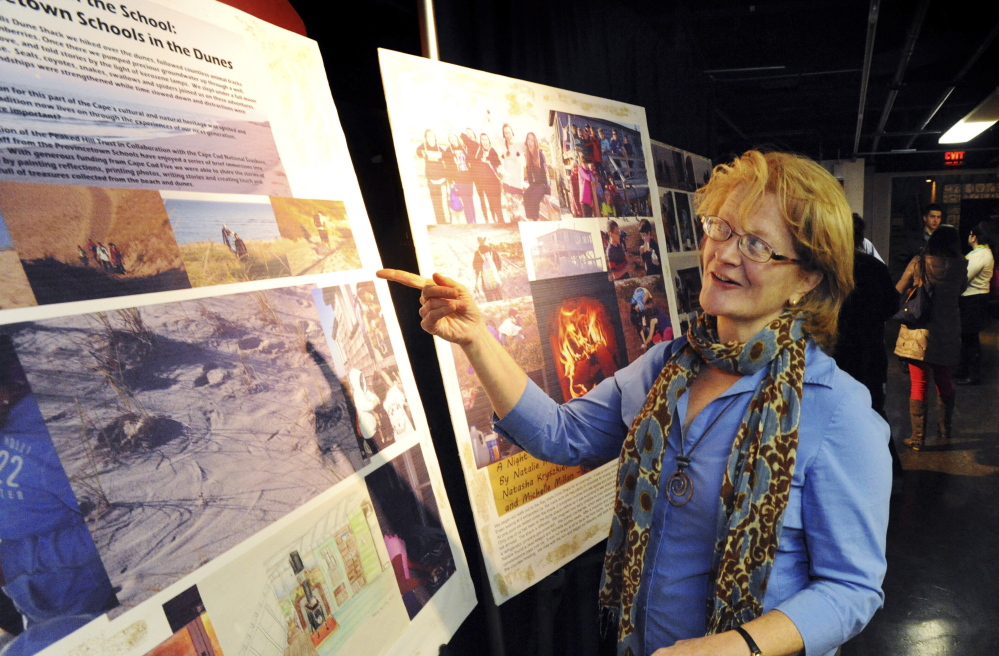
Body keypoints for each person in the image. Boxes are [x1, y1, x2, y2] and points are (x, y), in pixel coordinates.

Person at [379, 150, 890, 656]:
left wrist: (735, 647)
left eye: (757, 245)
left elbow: (851, 588)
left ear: (807, 279)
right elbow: (560, 433)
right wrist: (477, 339)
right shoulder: (669, 366)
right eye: (722, 229)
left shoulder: (837, 412)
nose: (725, 255)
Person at [834, 213, 900, 474]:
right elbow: (892, 306)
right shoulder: (875, 267)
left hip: (835, 352)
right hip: (871, 350)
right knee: (873, 409)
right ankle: (887, 471)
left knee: (839, 413)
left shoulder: (826, 269)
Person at [894, 224, 967, 451]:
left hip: (920, 330)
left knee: (919, 383)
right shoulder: (960, 266)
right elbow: (961, 291)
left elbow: (898, 288)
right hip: (947, 329)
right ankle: (945, 430)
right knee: (945, 380)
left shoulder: (919, 262)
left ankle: (918, 439)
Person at [955, 222, 994, 385]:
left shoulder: (980, 255)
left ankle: (972, 374)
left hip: (973, 300)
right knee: (967, 337)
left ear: (974, 236)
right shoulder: (983, 252)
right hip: (975, 299)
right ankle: (965, 370)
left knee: (970, 338)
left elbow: (964, 276)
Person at [416, 129, 448, 224]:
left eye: (432, 136)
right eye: (428, 136)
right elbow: (418, 152)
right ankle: (440, 223)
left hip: (442, 179)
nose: (431, 138)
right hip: (431, 180)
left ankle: (447, 222)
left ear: (435, 137)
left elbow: (446, 157)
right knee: (436, 204)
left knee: (444, 203)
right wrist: (424, 147)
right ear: (425, 138)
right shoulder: (423, 148)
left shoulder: (439, 148)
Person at [897, 204, 942, 269]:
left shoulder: (944, 239)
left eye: (939, 217)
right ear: (925, 218)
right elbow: (901, 261)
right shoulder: (913, 238)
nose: (936, 220)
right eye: (932, 216)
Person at [444, 133, 476, 224]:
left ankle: (474, 221)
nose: (452, 139)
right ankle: (470, 222)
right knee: (465, 201)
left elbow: (470, 160)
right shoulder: (448, 150)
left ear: (457, 137)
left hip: (468, 178)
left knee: (471, 201)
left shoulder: (464, 148)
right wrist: (451, 181)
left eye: (453, 137)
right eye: (450, 138)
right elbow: (448, 167)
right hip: (458, 180)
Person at [473, 133, 503, 223]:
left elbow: (498, 164)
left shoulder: (492, 151)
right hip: (486, 184)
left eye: (486, 139)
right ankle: (494, 221)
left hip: (494, 184)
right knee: (491, 204)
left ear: (489, 140)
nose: (484, 141)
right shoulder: (479, 152)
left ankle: (501, 222)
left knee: (497, 205)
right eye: (482, 139)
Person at [523, 132, 548, 221]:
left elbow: (546, 170)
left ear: (535, 142)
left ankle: (534, 219)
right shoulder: (527, 155)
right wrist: (531, 185)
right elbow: (529, 173)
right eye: (528, 140)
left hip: (543, 184)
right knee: (526, 195)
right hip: (535, 184)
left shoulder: (539, 153)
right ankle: (530, 218)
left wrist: (547, 189)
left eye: (532, 140)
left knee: (534, 198)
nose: (530, 142)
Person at [471, 236, 503, 302]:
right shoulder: (493, 251)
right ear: (486, 241)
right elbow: (499, 263)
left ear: (478, 242)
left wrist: (476, 282)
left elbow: (476, 268)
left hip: (485, 278)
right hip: (495, 276)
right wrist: (497, 272)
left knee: (490, 298)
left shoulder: (477, 253)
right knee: (499, 296)